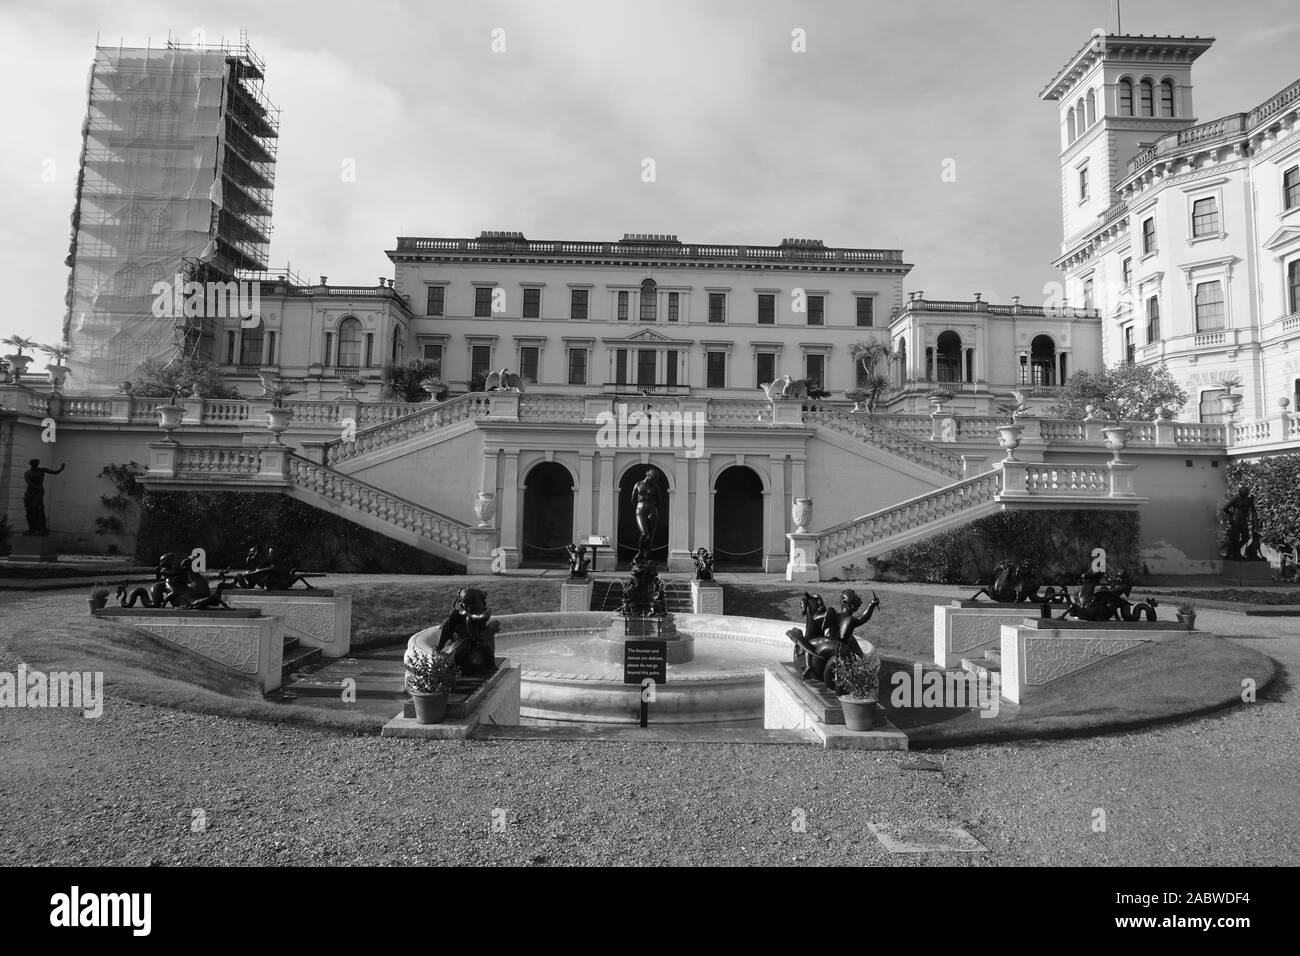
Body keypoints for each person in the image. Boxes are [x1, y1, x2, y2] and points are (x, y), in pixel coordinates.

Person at [22, 460, 65, 535]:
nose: (35, 465)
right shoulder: (27, 472)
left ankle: (40, 527)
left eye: (36, 464)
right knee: (29, 510)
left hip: (38, 493)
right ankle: (31, 528)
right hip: (30, 493)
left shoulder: (42, 470)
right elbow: (28, 482)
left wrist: (61, 468)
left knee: (38, 509)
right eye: (33, 464)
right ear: (31, 464)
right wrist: (36, 487)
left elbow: (54, 472)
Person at [629, 469, 662, 564]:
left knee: (650, 536)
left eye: (655, 478)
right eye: (652, 476)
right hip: (640, 510)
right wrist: (639, 509)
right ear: (647, 474)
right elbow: (633, 499)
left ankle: (647, 557)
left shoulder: (656, 487)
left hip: (652, 511)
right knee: (644, 534)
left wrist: (653, 510)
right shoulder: (638, 484)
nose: (654, 479)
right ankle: (640, 552)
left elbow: (659, 502)